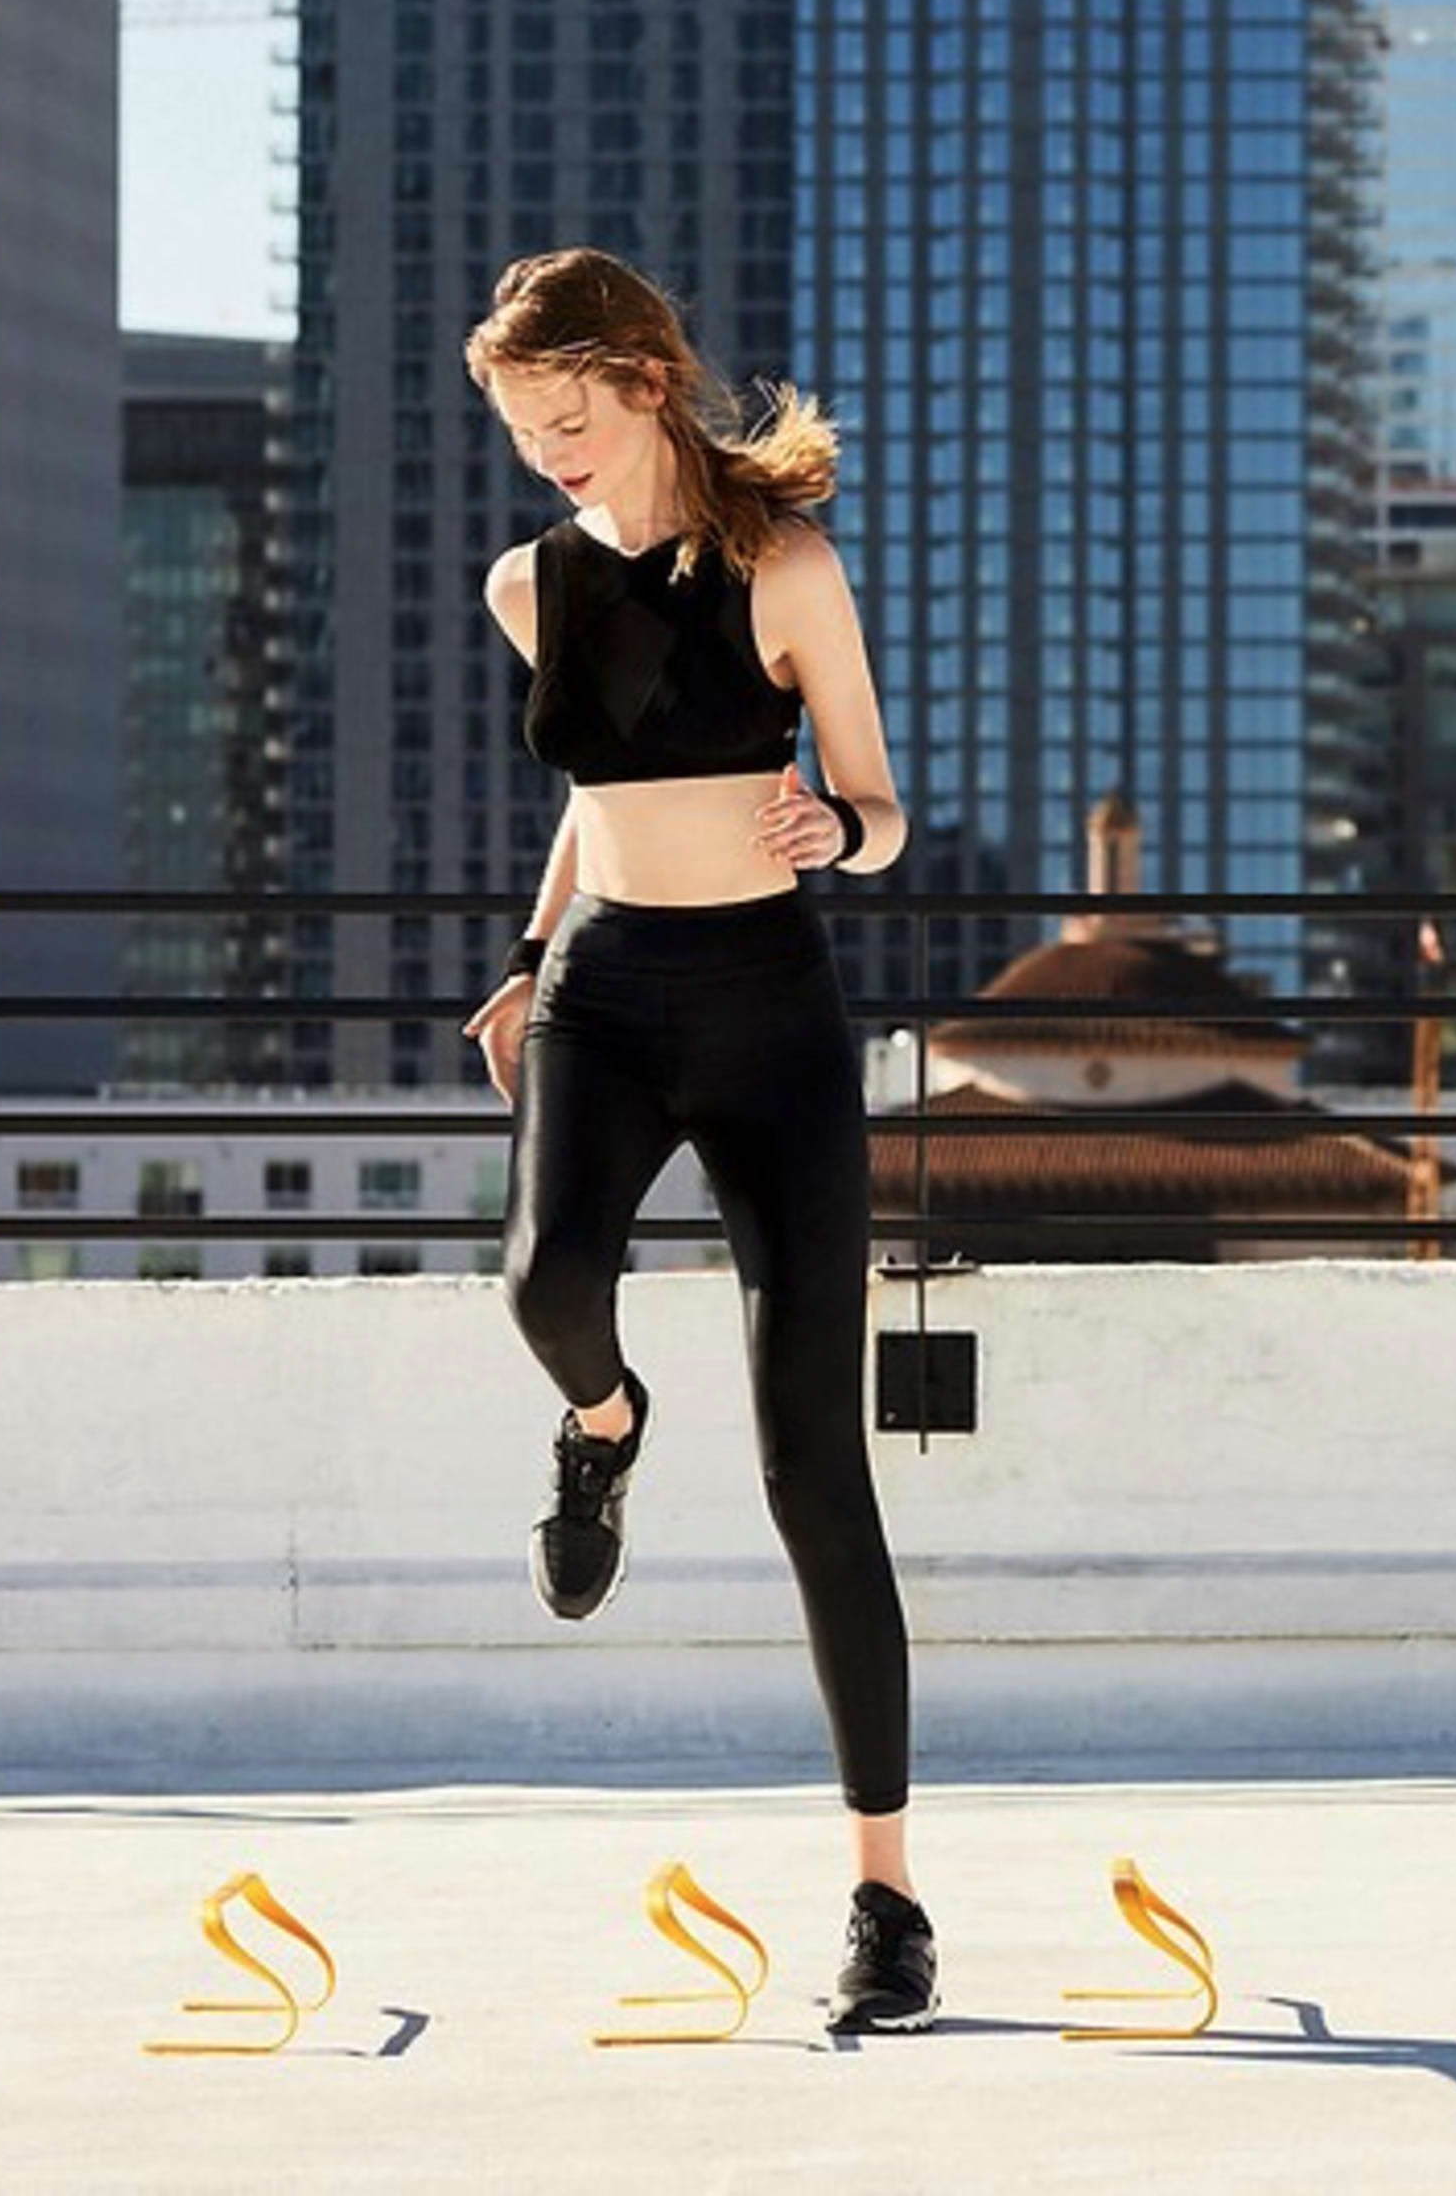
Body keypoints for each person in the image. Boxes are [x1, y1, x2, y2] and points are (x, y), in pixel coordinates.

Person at [455, 246, 934, 2035]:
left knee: (819, 1468)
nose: (550, 455)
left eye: (568, 418)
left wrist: (842, 832)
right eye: (521, 429)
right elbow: (598, 806)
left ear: (649, 381)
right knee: (545, 1290)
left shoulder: (787, 568)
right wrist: (523, 963)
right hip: (603, 991)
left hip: (770, 1014)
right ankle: (604, 1426)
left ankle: (886, 1900)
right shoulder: (529, 583)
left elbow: (883, 802)